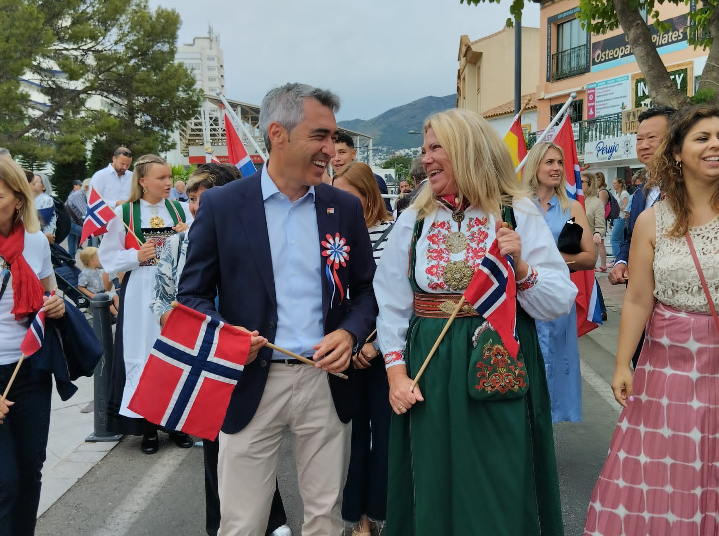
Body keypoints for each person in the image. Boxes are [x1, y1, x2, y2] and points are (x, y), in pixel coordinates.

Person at [584, 105, 719, 536]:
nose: (715, 144)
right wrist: (623, 362)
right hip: (668, 370)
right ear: (678, 152)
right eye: (702, 138)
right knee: (664, 481)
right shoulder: (651, 220)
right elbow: (639, 300)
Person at [178, 82, 377, 536]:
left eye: (333, 137)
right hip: (248, 381)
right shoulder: (222, 205)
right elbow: (191, 295)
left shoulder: (343, 208)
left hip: (325, 383)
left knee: (324, 518)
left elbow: (366, 292)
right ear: (277, 134)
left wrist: (348, 334)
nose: (332, 149)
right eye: (320, 136)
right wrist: (227, 339)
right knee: (242, 521)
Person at [374, 109, 576, 536]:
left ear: (467, 150)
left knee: (496, 481)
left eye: (436, 148)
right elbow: (392, 303)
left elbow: (559, 301)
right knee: (433, 480)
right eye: (424, 150)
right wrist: (395, 373)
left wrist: (520, 266)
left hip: (496, 361)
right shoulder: (413, 220)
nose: (426, 159)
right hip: (429, 368)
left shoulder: (517, 211)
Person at [150, 164, 291, 536]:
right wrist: (189, 328)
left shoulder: (255, 239)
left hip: (253, 358)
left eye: (205, 198)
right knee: (216, 448)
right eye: (193, 198)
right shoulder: (175, 245)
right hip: (205, 358)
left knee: (253, 446)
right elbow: (162, 303)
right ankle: (221, 525)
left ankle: (272, 518)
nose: (197, 206)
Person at [98, 154, 193, 455]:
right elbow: (107, 257)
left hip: (173, 292)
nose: (168, 183)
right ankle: (147, 427)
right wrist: (134, 257)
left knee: (174, 354)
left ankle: (176, 422)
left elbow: (200, 249)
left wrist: (186, 239)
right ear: (143, 181)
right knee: (144, 353)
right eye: (162, 178)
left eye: (169, 178)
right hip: (139, 291)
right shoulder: (124, 213)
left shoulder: (179, 211)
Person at [0, 156, 66, 535]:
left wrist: (55, 303)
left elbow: (49, 292)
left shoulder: (36, 241)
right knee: (4, 482)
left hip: (29, 370)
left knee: (30, 471)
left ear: (19, 200)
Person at [331, 161, 393, 536]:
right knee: (350, 439)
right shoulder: (331, 236)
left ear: (367, 195)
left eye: (345, 195)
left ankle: (386, 512)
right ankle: (359, 518)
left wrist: (372, 345)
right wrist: (348, 340)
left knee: (385, 437)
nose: (336, 203)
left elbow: (398, 298)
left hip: (384, 352)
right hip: (343, 351)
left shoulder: (397, 232)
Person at [521, 143, 596, 424]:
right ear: (535, 167)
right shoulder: (516, 205)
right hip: (523, 302)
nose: (555, 168)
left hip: (554, 301)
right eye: (549, 162)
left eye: (559, 162)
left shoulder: (571, 206)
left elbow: (589, 257)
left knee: (553, 367)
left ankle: (544, 438)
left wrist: (551, 261)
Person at [608, 106, 677, 286]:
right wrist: (621, 262)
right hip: (641, 292)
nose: (644, 145)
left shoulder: (689, 190)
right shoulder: (640, 193)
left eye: (652, 138)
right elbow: (632, 238)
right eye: (639, 139)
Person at [332, 131, 392, 212]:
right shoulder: (328, 183)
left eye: (342, 152)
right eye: (332, 153)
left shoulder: (373, 180)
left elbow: (384, 213)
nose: (336, 158)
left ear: (353, 154)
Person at [77, 247, 118, 315]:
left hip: (102, 293)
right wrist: (91, 295)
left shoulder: (97, 270)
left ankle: (121, 311)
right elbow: (80, 287)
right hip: (95, 295)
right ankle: (117, 315)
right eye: (99, 258)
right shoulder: (85, 274)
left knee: (116, 296)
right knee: (107, 301)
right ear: (92, 261)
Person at [581, 172, 607, 272]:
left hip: (588, 245)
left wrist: (597, 233)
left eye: (582, 181)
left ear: (590, 184)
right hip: (572, 244)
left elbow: (600, 226)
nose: (578, 183)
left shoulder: (596, 202)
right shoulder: (571, 201)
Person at [28, 174, 57, 244]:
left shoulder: (47, 199)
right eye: (32, 181)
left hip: (44, 239)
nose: (34, 182)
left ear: (44, 187)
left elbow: (41, 221)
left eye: (37, 181)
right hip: (33, 237)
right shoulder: (29, 200)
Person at [66, 180, 87, 258]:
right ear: (75, 186)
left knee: (72, 250)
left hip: (69, 221)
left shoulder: (76, 194)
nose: (80, 187)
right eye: (79, 185)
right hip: (71, 222)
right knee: (89, 233)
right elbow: (85, 212)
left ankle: (69, 264)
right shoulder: (78, 195)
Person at [609, 177, 630, 257]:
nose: (613, 185)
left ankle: (616, 258)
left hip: (621, 218)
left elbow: (626, 206)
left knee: (614, 239)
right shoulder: (617, 194)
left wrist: (615, 208)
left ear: (620, 184)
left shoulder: (624, 193)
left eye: (615, 183)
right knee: (620, 241)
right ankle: (621, 258)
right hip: (617, 218)